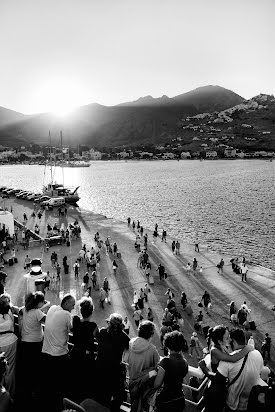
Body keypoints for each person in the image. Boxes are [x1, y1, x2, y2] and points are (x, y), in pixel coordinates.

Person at [200, 328, 267, 412]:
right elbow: (233, 358)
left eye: (230, 338)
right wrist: (248, 348)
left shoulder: (225, 360)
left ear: (234, 342)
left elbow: (218, 378)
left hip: (232, 403)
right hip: (249, 401)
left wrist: (203, 367)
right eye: (227, 338)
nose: (229, 340)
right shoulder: (257, 354)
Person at [41, 294, 75, 411]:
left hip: (46, 352)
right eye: (72, 305)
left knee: (50, 382)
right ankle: (59, 405)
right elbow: (72, 329)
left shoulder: (52, 308)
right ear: (66, 304)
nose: (73, 307)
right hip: (59, 355)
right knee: (60, 384)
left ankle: (49, 402)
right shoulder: (66, 314)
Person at [95, 313, 130, 411]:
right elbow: (129, 348)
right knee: (112, 393)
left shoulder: (102, 332)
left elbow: (98, 339)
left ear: (109, 323)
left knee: (101, 393)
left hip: (100, 367)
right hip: (114, 370)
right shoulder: (124, 337)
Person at [17, 292, 49, 397]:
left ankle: (26, 389)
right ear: (38, 303)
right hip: (35, 344)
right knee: (35, 367)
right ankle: (34, 391)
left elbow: (20, 311)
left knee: (27, 367)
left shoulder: (25, 309)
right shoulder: (37, 313)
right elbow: (49, 320)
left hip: (25, 342)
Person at [70, 297, 99, 402]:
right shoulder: (93, 326)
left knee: (75, 380)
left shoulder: (75, 320)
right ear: (91, 312)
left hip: (75, 354)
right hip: (87, 358)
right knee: (86, 382)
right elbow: (99, 339)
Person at [153, 331, 189, 412]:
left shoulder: (165, 362)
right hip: (180, 399)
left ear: (167, 345)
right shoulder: (185, 362)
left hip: (166, 401)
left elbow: (156, 384)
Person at [128, 321, 160, 411]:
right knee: (141, 407)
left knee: (133, 403)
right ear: (151, 334)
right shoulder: (152, 349)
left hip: (132, 381)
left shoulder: (131, 343)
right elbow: (157, 366)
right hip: (144, 385)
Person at [0, 294, 19, 398]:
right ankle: (9, 395)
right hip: (9, 342)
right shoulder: (10, 310)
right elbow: (19, 310)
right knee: (10, 369)